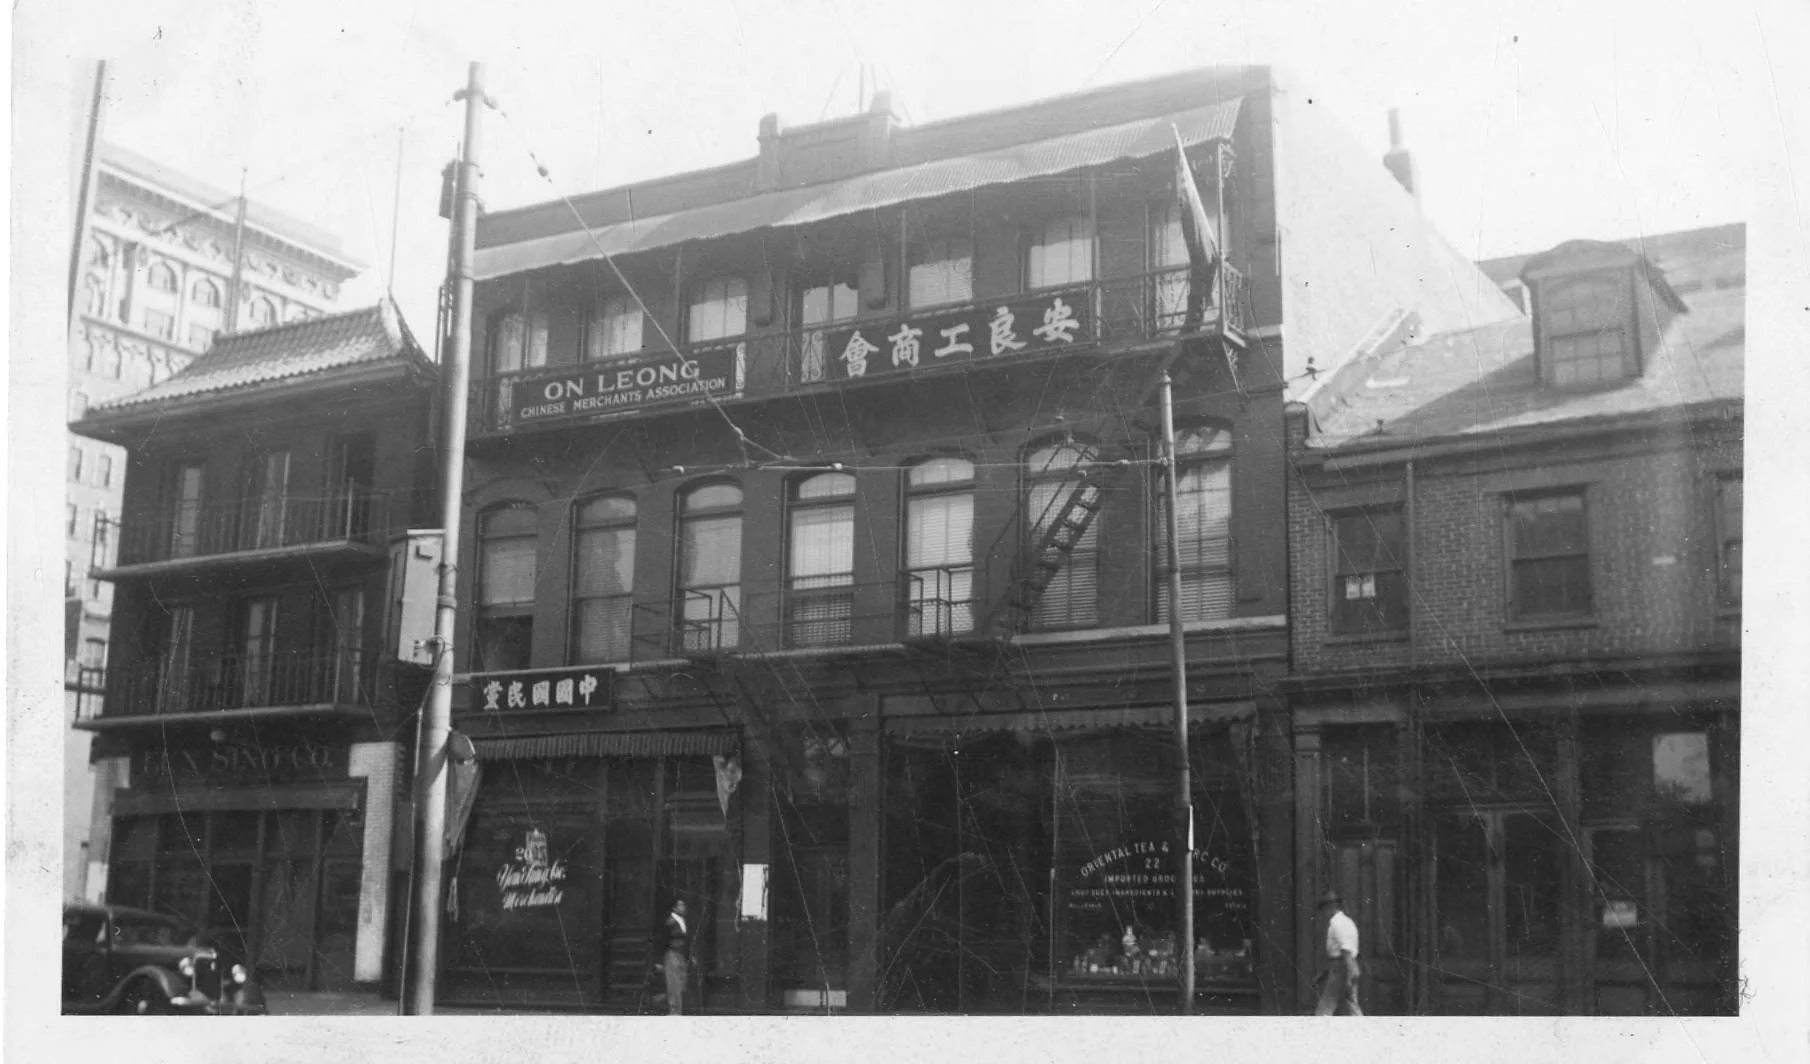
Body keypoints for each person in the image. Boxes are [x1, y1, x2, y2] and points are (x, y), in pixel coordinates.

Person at [1313, 890, 1363, 1016]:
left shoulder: (1337, 923)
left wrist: (1350, 973)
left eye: (1324, 909)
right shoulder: (1347, 921)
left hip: (1342, 968)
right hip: (1343, 966)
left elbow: (1345, 950)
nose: (1324, 913)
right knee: (1351, 1005)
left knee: (1325, 1009)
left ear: (1331, 907)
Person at [660, 898, 691, 1015]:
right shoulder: (670, 922)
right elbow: (663, 939)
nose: (683, 907)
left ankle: (678, 1009)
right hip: (672, 953)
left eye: (683, 905)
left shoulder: (682, 921)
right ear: (674, 908)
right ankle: (673, 1010)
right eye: (680, 905)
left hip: (681, 954)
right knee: (673, 983)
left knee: (681, 982)